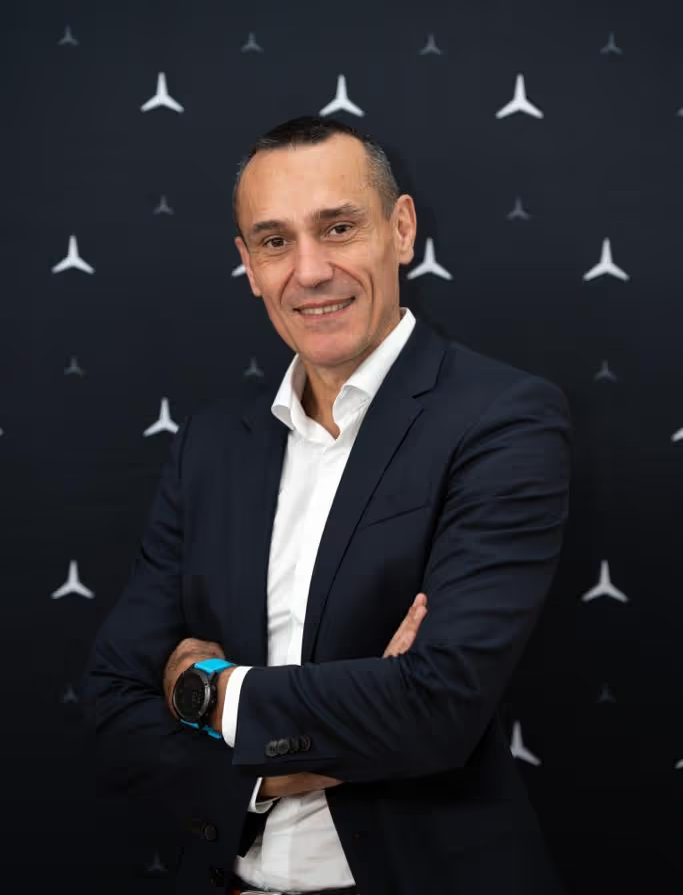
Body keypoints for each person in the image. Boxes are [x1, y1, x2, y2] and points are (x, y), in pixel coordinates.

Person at [78, 115, 572, 894]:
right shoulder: (211, 445)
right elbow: (111, 703)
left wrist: (206, 691)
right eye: (274, 241)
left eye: (338, 228)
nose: (309, 271)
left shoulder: (502, 420)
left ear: (400, 229)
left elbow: (436, 709)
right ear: (248, 264)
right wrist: (286, 766)